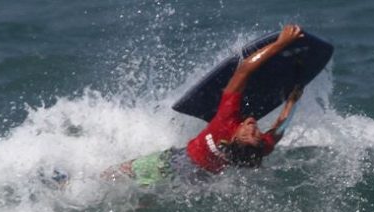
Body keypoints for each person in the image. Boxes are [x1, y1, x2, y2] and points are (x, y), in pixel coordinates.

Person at [101, 24, 305, 187]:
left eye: (247, 132)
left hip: (175, 163)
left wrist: (280, 44)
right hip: (201, 180)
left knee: (123, 172)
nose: (252, 126)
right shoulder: (258, 149)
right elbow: (280, 127)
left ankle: (86, 184)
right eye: (257, 132)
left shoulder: (226, 122)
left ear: (234, 136)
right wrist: (293, 99)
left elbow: (243, 70)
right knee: (155, 192)